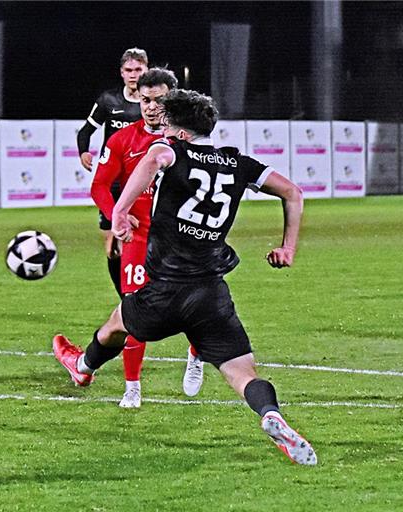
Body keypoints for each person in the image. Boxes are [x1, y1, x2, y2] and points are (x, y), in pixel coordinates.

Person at [53, 89, 316, 465]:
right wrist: (287, 247)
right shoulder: (237, 163)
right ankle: (270, 414)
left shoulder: (171, 150)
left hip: (164, 291)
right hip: (211, 294)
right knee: (242, 373)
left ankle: (82, 368)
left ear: (176, 130)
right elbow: (293, 192)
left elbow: (155, 158)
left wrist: (121, 210)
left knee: (115, 325)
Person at [90, 67, 202, 408]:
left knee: (197, 303)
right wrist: (116, 219)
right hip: (138, 240)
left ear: (172, 99)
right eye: (145, 99)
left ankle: (196, 356)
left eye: (159, 100)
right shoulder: (122, 140)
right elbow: (99, 186)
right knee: (134, 309)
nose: (151, 107)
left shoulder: (187, 138)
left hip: (180, 238)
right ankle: (132, 388)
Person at [77, 47, 149, 296]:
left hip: (144, 183)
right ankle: (125, 300)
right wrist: (84, 152)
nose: (133, 75)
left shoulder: (151, 103)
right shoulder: (109, 101)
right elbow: (85, 131)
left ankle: (142, 297)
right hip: (115, 183)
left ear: (146, 70)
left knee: (145, 240)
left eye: (138, 69)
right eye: (129, 70)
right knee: (113, 248)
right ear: (121, 72)